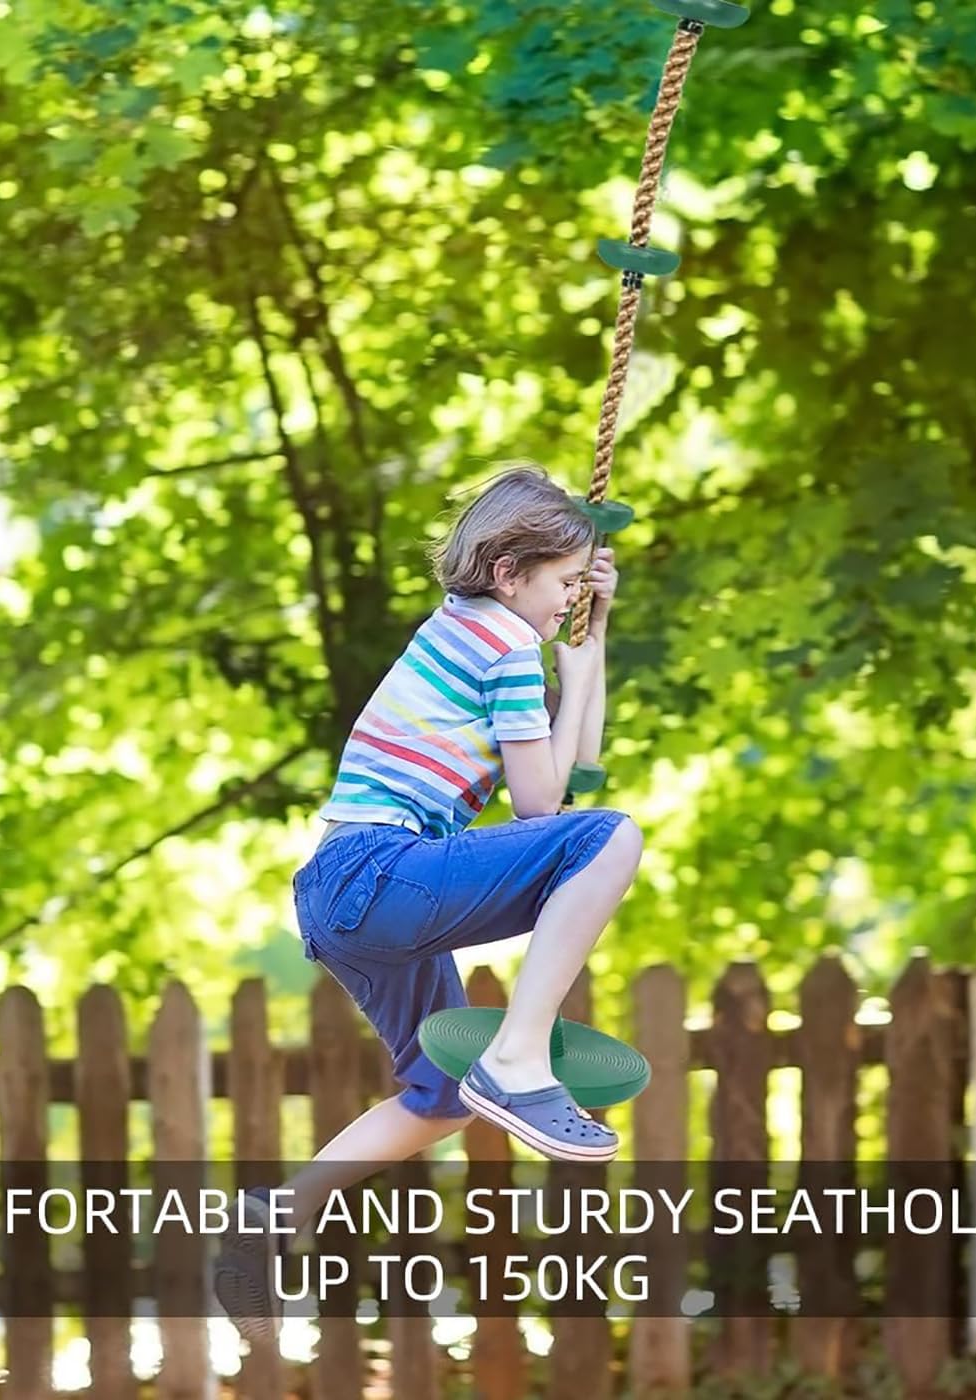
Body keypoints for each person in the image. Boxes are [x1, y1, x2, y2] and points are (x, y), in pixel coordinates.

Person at [214, 464, 643, 1339]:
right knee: (614, 837)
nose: (570, 599)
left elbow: (573, 774)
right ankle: (518, 1060)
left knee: (441, 1098)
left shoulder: (473, 634)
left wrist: (587, 654)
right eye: (562, 583)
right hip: (382, 873)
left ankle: (274, 1220)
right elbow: (545, 811)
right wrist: (567, 657)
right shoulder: (503, 646)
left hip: (348, 895)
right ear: (507, 571)